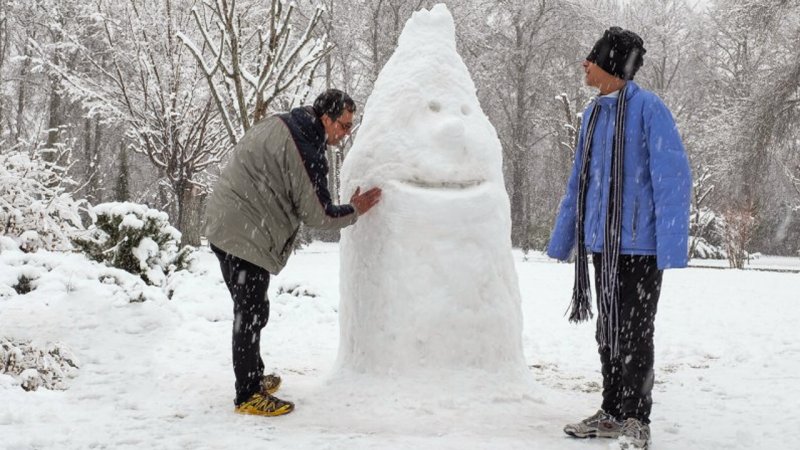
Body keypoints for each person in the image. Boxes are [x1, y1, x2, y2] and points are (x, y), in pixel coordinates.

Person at [546, 27, 691, 449]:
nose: (584, 64)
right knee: (608, 331)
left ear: (611, 63)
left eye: (591, 57)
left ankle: (636, 419)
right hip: (602, 244)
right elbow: (580, 181)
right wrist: (564, 239)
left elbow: (672, 178)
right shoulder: (592, 115)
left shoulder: (649, 110)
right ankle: (611, 411)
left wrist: (669, 245)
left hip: (639, 245)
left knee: (634, 332)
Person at [205, 89, 382, 417]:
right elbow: (320, 215)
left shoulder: (287, 123)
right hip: (244, 233)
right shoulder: (305, 148)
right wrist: (355, 210)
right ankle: (247, 394)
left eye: (350, 128)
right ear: (326, 118)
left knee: (252, 309)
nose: (345, 135)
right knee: (251, 313)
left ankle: (252, 378)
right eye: (343, 126)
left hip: (226, 223)